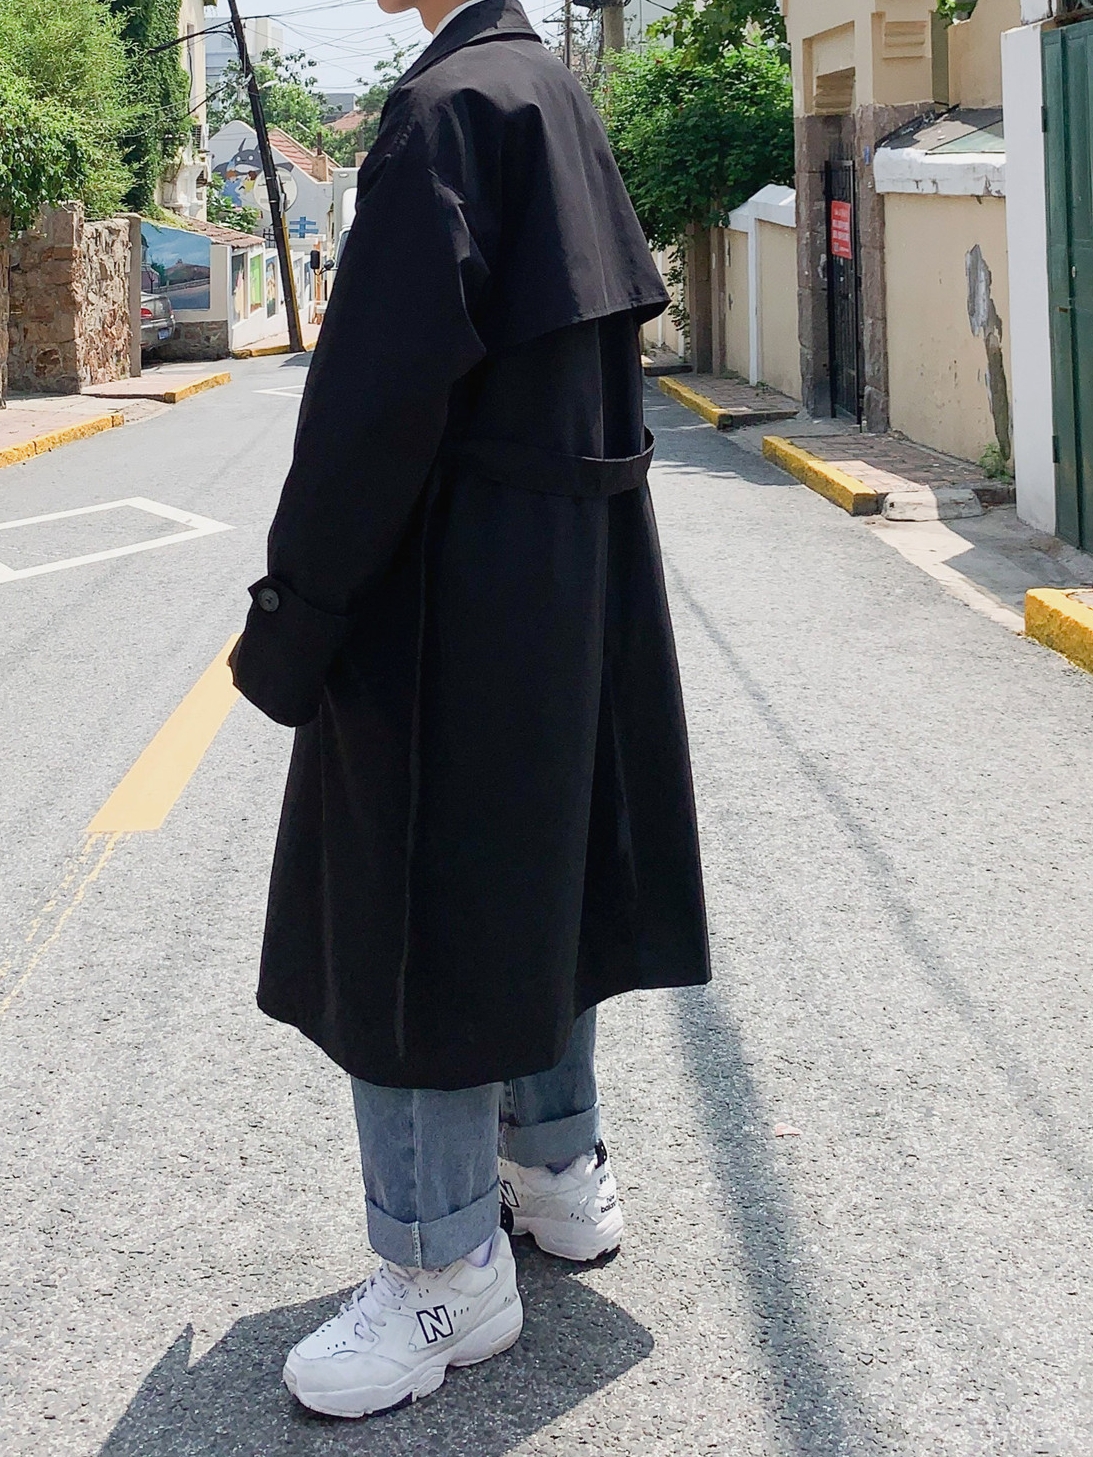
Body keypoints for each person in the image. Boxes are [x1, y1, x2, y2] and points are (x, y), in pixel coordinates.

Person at [229, 0, 710, 1420]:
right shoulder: (548, 92)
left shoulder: (441, 115)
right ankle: (556, 1173)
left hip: (446, 597)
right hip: (563, 585)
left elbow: (369, 415)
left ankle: (444, 1269)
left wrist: (296, 615)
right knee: (536, 870)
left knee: (416, 920)